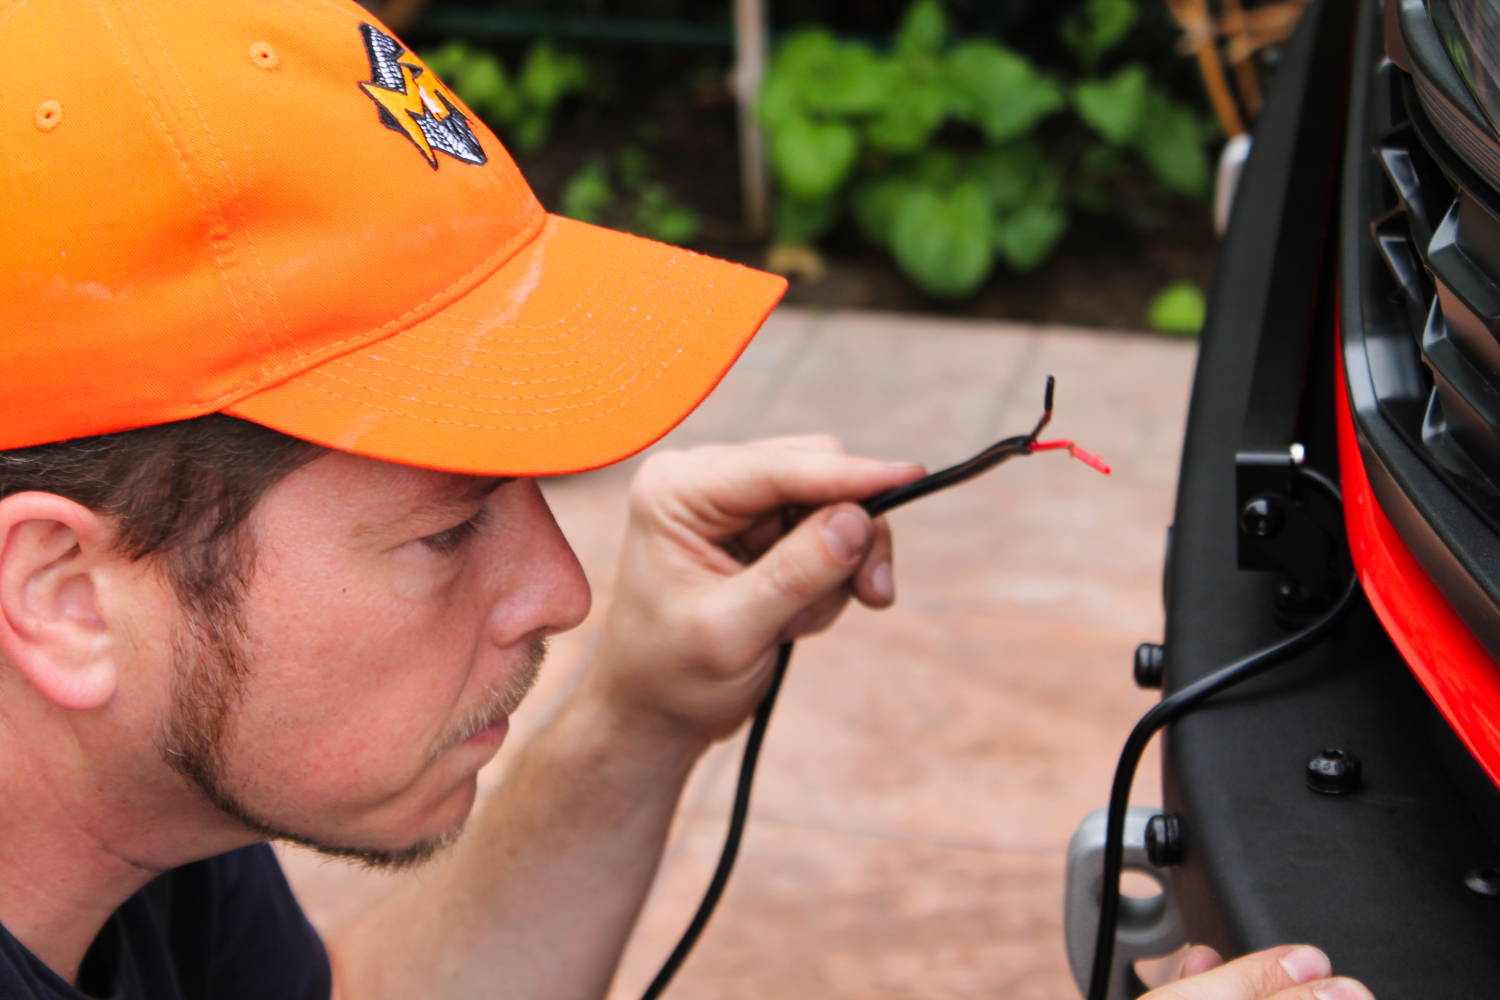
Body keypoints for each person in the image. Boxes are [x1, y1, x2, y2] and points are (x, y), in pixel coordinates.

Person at [0, 1, 1373, 998]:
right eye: (447, 525)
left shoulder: (139, 785)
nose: (565, 591)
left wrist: (637, 714)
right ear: (61, 598)